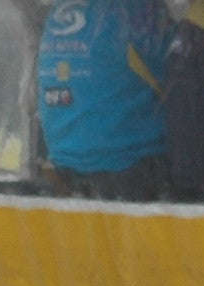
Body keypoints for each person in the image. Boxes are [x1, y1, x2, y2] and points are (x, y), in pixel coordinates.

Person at [26, 0, 172, 197]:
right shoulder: (136, 11)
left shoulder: (59, 11)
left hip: (63, 162)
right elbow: (180, 78)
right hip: (129, 163)